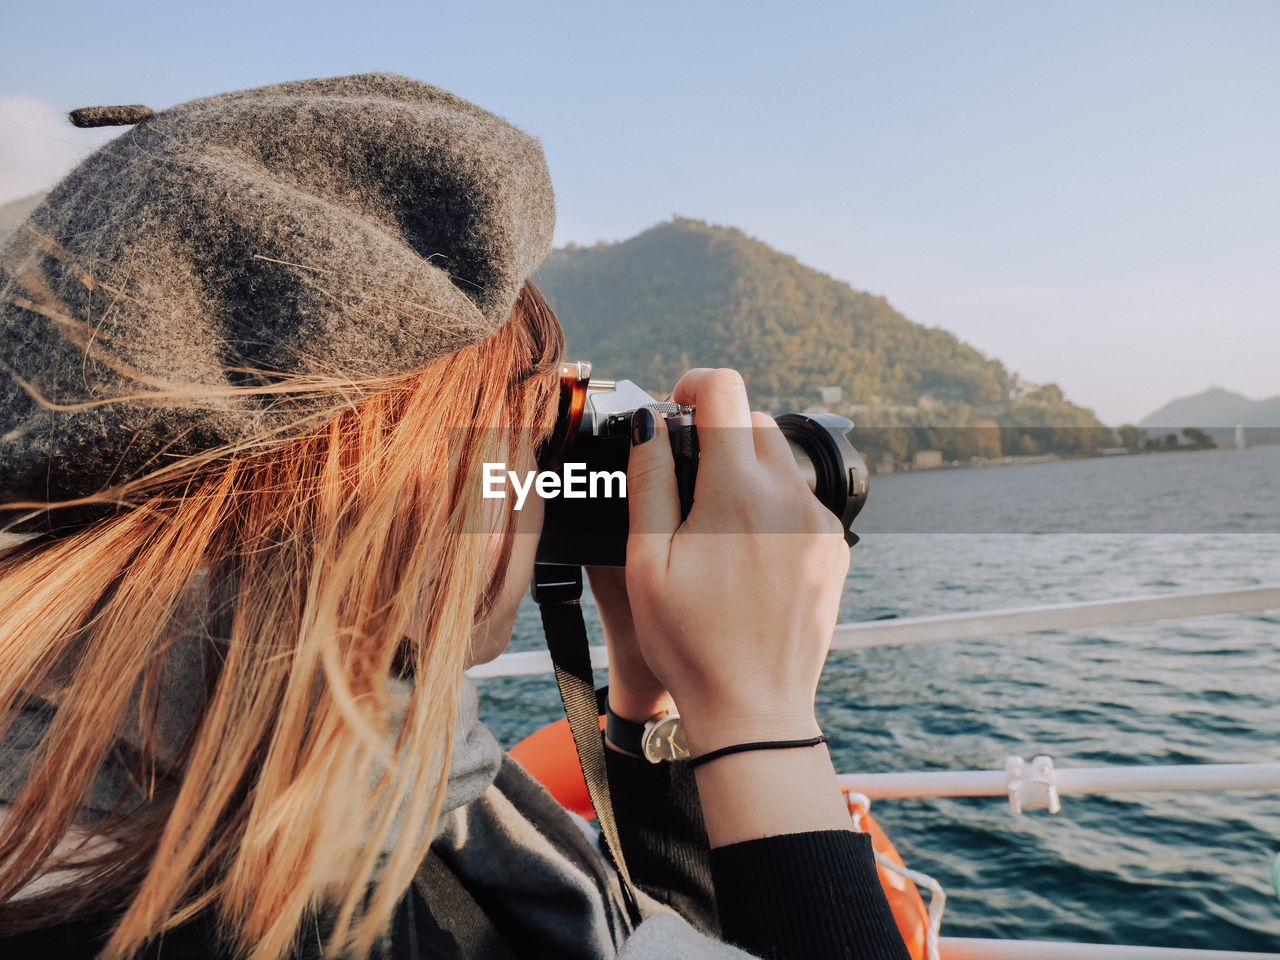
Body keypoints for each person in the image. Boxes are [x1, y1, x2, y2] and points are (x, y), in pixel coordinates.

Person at [0, 75, 910, 959]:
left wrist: (648, 700)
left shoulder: (136, 787)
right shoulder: (321, 910)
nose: (543, 482)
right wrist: (761, 712)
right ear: (418, 484)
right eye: (532, 434)